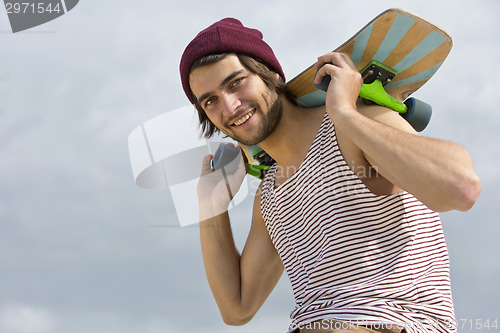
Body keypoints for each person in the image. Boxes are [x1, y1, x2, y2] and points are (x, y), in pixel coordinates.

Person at [179, 18, 481, 333]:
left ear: (270, 75)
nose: (229, 106)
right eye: (210, 101)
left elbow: (462, 187)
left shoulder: (355, 123)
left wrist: (344, 112)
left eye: (236, 82)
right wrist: (210, 206)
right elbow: (237, 308)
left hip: (396, 323)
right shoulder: (269, 194)